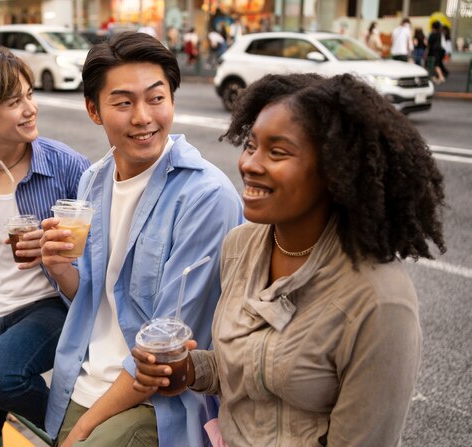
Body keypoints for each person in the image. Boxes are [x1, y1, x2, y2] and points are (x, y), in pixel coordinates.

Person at [133, 73, 446, 447]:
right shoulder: (239, 246)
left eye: (277, 152)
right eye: (250, 146)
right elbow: (247, 368)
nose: (250, 164)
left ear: (336, 171)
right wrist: (189, 370)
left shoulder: (379, 300)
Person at [40, 31, 242, 447]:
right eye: (123, 102)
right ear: (94, 110)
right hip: (81, 376)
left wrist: (82, 429)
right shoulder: (93, 181)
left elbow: (167, 351)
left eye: (156, 98)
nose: (143, 117)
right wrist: (60, 269)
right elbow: (93, 297)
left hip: (157, 400)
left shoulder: (206, 197)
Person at [0, 47, 90, 447]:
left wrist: (59, 248)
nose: (30, 109)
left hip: (52, 304)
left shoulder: (66, 165)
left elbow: (101, 242)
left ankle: (87, 431)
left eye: (29, 95)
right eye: (14, 102)